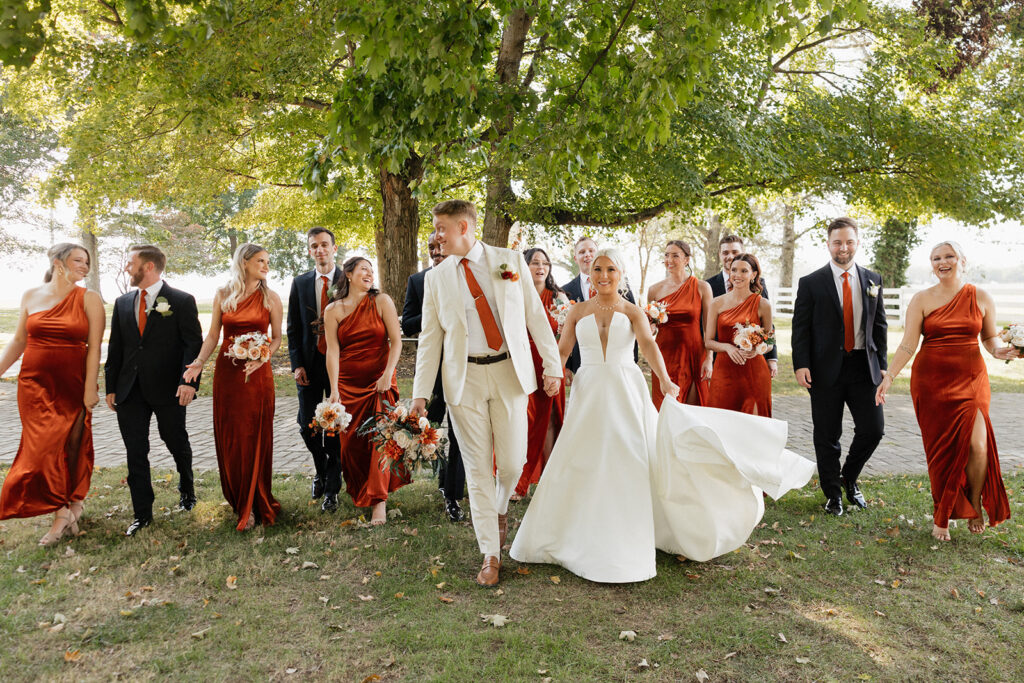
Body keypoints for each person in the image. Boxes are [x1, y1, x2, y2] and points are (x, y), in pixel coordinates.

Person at [510, 250, 814, 582]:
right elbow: (564, 349)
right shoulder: (578, 311)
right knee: (582, 455)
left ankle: (629, 525)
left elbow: (650, 348)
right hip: (589, 392)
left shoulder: (633, 311)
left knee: (629, 455)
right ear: (591, 274)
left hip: (625, 390)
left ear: (621, 273)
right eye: (597, 269)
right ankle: (573, 527)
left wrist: (667, 380)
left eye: (611, 268)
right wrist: (553, 373)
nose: (603, 275)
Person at [410, 199, 561, 587]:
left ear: (464, 227)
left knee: (511, 465)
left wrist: (552, 365)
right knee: (477, 471)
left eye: (441, 228)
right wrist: (420, 394)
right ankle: (490, 554)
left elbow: (534, 315)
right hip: (464, 381)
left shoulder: (508, 260)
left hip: (509, 373)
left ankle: (499, 509)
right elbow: (430, 339)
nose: (436, 236)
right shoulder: (436, 278)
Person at [875, 242, 1014, 541]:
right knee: (941, 453)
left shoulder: (981, 296)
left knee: (978, 446)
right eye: (936, 258)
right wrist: (890, 377)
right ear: (932, 264)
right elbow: (909, 344)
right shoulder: (922, 299)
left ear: (962, 260)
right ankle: (943, 515)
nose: (943, 262)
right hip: (931, 382)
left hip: (972, 377)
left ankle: (974, 503)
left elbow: (989, 338)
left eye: (949, 256)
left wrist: (1001, 352)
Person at [0, 244, 104, 545]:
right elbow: (19, 340)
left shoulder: (90, 298)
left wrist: (89, 390)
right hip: (34, 384)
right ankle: (60, 513)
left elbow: (95, 347)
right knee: (41, 448)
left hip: (72, 384)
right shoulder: (31, 295)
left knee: (72, 446)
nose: (85, 266)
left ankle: (74, 504)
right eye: (78, 261)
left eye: (87, 262)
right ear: (58, 263)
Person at [104, 244, 203, 536]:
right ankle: (142, 513)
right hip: (129, 390)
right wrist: (111, 386)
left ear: (148, 267)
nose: (126, 268)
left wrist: (188, 382)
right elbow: (116, 347)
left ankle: (187, 486)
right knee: (136, 450)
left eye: (130, 262)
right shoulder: (122, 303)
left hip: (169, 387)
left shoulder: (181, 301)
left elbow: (192, 345)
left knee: (175, 440)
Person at [791, 217, 887, 517]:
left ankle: (849, 476)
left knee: (873, 429)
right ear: (828, 244)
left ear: (857, 242)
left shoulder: (873, 279)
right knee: (827, 435)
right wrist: (801, 364)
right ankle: (833, 494)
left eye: (848, 241)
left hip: (864, 367)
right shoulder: (811, 282)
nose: (843, 247)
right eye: (837, 242)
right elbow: (800, 328)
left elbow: (880, 325)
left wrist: (882, 366)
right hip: (824, 370)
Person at [184, 244, 282, 531]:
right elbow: (214, 334)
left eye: (267, 261)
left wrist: (262, 357)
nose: (266, 266)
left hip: (258, 376)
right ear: (244, 262)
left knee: (255, 435)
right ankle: (240, 502)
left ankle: (255, 502)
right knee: (234, 437)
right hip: (228, 375)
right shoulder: (223, 294)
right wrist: (200, 361)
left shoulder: (271, 297)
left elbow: (276, 338)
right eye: (260, 261)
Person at [326, 256, 409, 524]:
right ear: (347, 274)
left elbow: (396, 342)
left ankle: (379, 502)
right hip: (348, 385)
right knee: (351, 445)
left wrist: (388, 374)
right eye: (363, 269)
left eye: (371, 271)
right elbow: (332, 351)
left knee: (380, 440)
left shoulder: (381, 301)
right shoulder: (333, 310)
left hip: (379, 382)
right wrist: (334, 389)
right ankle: (363, 489)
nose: (369, 274)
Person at [402, 231, 466, 522]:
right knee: (434, 428)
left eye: (441, 245)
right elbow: (408, 324)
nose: (436, 251)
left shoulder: (465, 277)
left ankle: (453, 496)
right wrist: (434, 314)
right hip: (432, 372)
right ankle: (441, 478)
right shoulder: (418, 281)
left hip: (464, 368)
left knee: (461, 434)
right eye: (431, 247)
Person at [287, 227, 343, 511]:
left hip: (338, 366)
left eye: (324, 245)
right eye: (313, 246)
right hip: (307, 367)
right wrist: (296, 365)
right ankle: (321, 471)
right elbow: (293, 329)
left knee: (333, 427)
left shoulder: (348, 280)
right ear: (309, 251)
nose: (319, 250)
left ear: (334, 248)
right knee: (306, 426)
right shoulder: (300, 283)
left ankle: (332, 488)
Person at [510, 247, 567, 501]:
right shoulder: (514, 294)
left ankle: (549, 480)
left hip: (550, 365)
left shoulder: (559, 298)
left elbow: (568, 335)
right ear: (525, 266)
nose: (541, 267)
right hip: (522, 365)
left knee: (550, 422)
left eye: (545, 263)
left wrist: (559, 365)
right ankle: (520, 481)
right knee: (525, 422)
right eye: (535, 262)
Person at [705, 254, 774, 416]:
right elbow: (708, 341)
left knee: (754, 425)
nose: (737, 275)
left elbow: (770, 342)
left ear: (754, 275)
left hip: (754, 373)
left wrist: (757, 350)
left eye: (744, 271)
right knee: (722, 422)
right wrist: (728, 348)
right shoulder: (716, 303)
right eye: (734, 270)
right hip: (724, 372)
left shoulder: (763, 305)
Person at [646, 240, 712, 409]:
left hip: (694, 354)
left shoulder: (702, 287)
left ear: (686, 259)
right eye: (666, 255)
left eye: (675, 255)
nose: (669, 259)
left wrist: (709, 359)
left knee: (693, 408)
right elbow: (650, 327)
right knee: (666, 407)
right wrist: (651, 326)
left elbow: (708, 327)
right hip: (664, 355)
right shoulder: (654, 290)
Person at [562, 236, 637, 375]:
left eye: (591, 250)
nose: (587, 255)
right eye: (582, 252)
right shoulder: (565, 291)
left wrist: (633, 358)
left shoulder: (622, 284)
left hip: (620, 365)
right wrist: (565, 366)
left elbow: (633, 321)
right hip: (583, 363)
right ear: (575, 258)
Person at [706, 234, 777, 376]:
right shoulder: (708, 286)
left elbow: (768, 332)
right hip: (721, 364)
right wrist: (708, 359)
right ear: (719, 254)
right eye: (725, 252)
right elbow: (704, 330)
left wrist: (770, 356)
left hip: (754, 365)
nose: (730, 256)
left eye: (735, 252)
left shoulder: (760, 288)